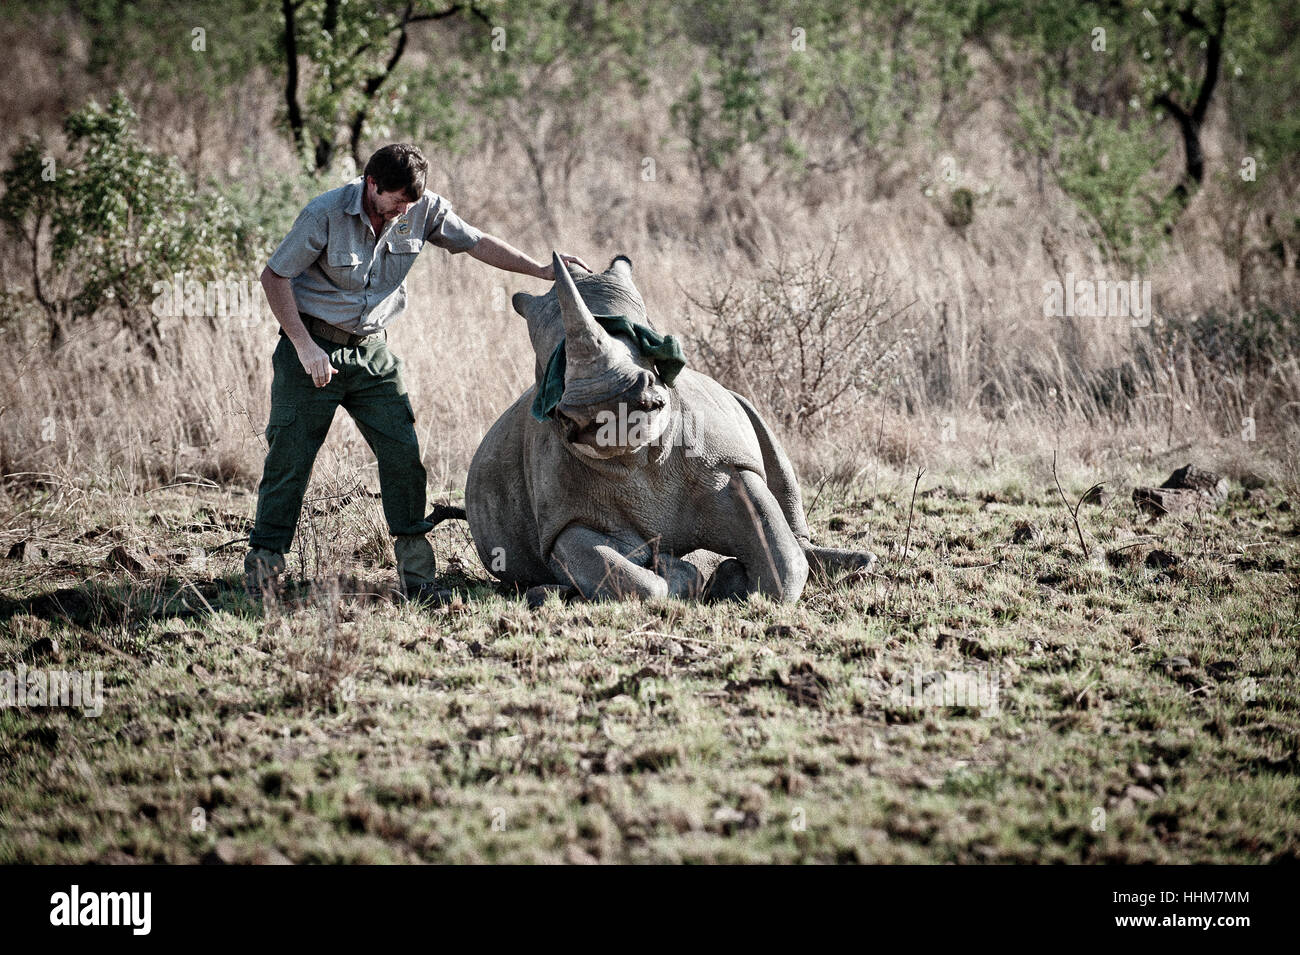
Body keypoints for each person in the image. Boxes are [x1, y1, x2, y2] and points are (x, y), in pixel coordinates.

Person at [245, 143, 589, 602]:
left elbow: (477, 241)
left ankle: (417, 578)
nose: (404, 212)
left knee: (403, 454)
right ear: (372, 184)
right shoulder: (324, 214)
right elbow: (275, 277)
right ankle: (264, 575)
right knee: (290, 460)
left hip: (372, 352)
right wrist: (305, 348)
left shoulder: (420, 209)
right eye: (396, 203)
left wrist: (542, 270)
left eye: (411, 204)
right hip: (310, 348)